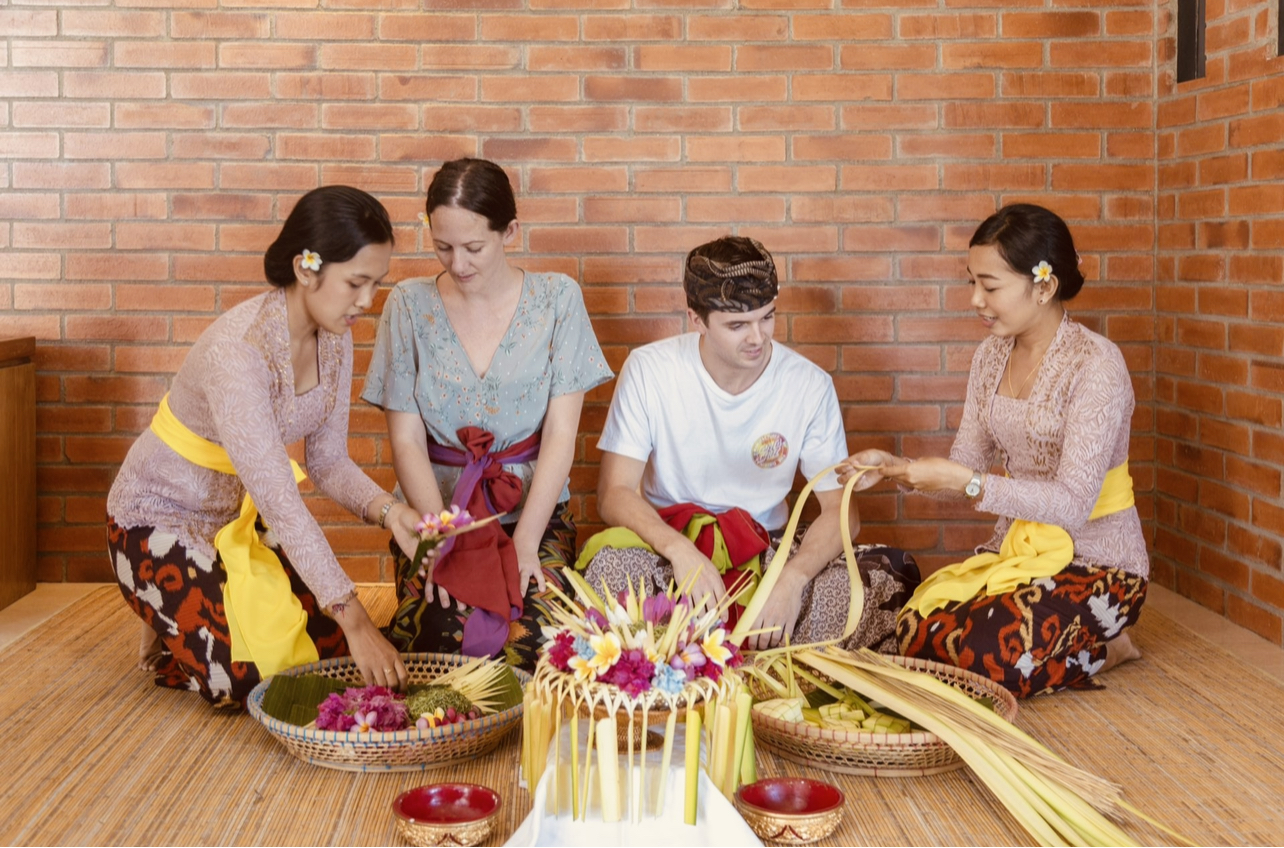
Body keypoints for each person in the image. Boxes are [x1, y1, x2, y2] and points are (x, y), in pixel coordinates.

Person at [108, 186, 425, 707]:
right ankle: (167, 623)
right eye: (356, 283)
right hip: (154, 520)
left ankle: (183, 618)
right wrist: (356, 615)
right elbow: (281, 499)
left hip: (234, 522)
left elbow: (326, 461)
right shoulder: (240, 352)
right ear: (306, 269)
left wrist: (390, 513)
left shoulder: (335, 335)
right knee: (248, 682)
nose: (367, 302)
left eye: (376, 284)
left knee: (325, 660)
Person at [841, 203, 1148, 699]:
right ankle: (1067, 646)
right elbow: (963, 469)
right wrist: (899, 469)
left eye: (990, 285)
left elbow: (1072, 505)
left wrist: (971, 484)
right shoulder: (990, 357)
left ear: (1044, 286)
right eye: (971, 282)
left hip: (1098, 565)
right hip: (1020, 554)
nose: (976, 300)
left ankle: (1110, 647)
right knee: (914, 631)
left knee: (988, 660)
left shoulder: (1097, 366)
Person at [582, 236, 920, 653]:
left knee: (889, 577)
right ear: (696, 319)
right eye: (737, 325)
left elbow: (842, 511)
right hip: (669, 545)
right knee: (609, 571)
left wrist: (792, 579)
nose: (757, 338)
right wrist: (679, 551)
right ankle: (717, 666)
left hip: (767, 548)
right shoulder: (650, 370)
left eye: (767, 318)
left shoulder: (808, 384)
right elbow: (613, 494)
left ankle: (732, 660)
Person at [362, 158, 612, 671]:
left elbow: (562, 436)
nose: (458, 263)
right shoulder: (407, 306)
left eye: (474, 247)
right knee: (437, 638)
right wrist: (444, 541)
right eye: (442, 247)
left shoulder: (558, 300)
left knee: (539, 642)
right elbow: (406, 440)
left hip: (532, 515)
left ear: (510, 231)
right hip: (435, 514)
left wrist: (523, 545)